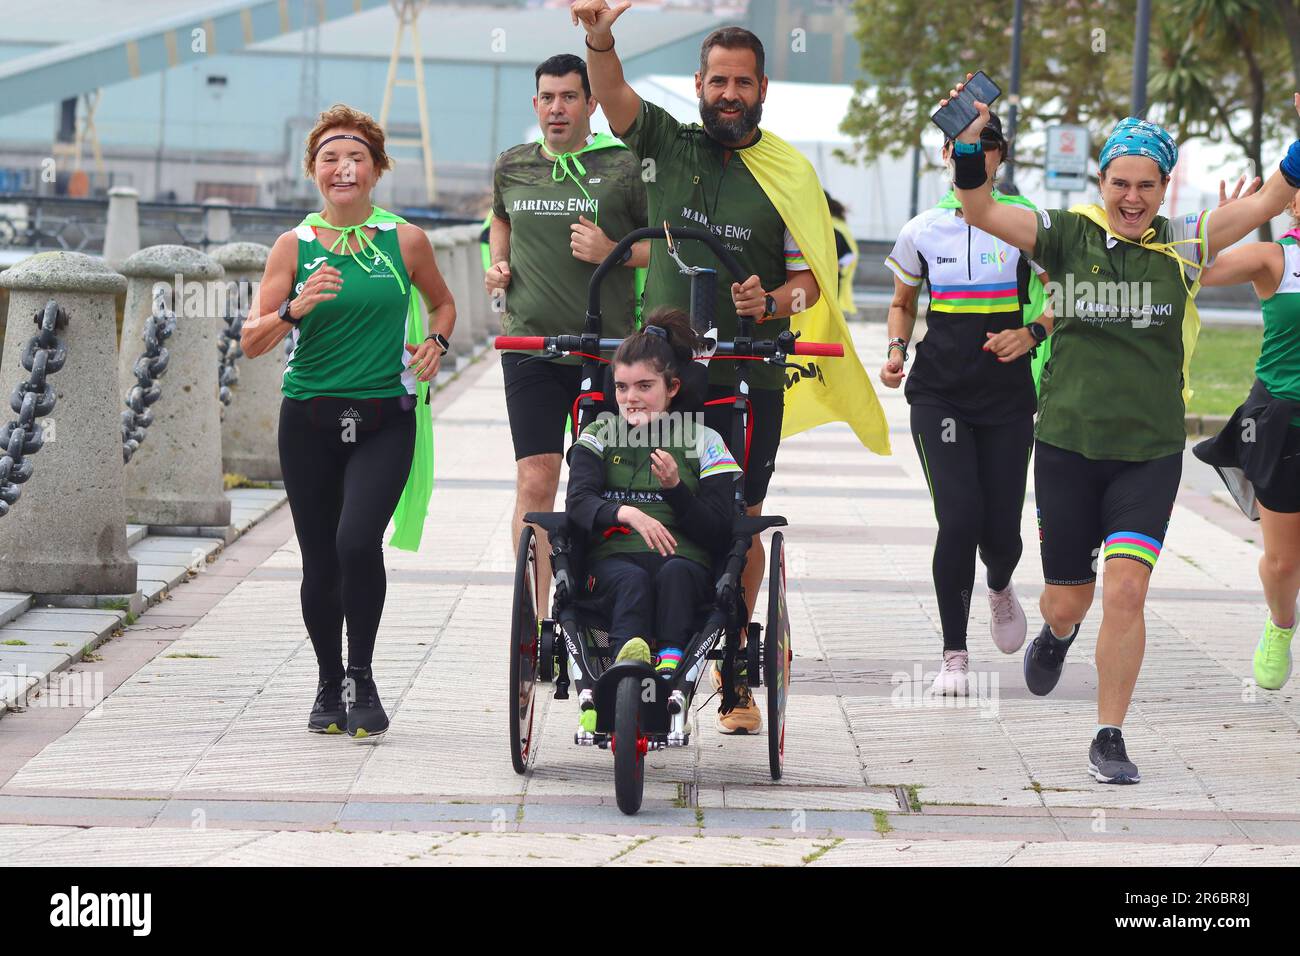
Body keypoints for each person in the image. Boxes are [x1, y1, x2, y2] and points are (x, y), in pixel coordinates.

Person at [944, 74, 1300, 784]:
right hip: (1069, 447)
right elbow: (979, 206)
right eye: (1119, 182)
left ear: (1166, 188)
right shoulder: (1065, 236)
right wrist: (968, 144)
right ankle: (1057, 631)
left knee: (1128, 591)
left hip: (1149, 453)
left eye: (1147, 185)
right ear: (1101, 180)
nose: (1132, 197)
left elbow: (1270, 199)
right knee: (1069, 597)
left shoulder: (1185, 246)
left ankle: (1109, 735)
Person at [571, 0, 893, 731]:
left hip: (746, 372)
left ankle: (735, 665)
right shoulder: (664, 141)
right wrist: (599, 36)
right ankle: (627, 627)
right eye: (718, 80)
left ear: (762, 89)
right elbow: (614, 94)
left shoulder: (786, 171)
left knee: (738, 518)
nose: (729, 94)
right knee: (635, 490)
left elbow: (812, 278)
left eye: (742, 82)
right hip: (656, 371)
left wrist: (772, 298)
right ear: (698, 83)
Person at [241, 104, 456, 740]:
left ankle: (362, 674)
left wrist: (436, 345)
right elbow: (252, 341)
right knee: (319, 562)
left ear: (377, 170)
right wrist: (296, 307)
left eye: (357, 157)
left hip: (383, 418)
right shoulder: (293, 247)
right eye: (331, 157)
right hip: (308, 421)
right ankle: (329, 682)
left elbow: (442, 303)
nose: (344, 167)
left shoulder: (405, 241)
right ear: (313, 171)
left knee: (357, 542)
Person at [881, 111, 1054, 696]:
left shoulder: (1026, 226)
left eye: (979, 147)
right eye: (957, 148)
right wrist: (895, 348)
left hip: (1006, 397)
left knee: (1000, 532)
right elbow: (903, 302)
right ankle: (954, 655)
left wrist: (1032, 333)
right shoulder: (922, 229)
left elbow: (1072, 291)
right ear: (946, 157)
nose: (968, 157)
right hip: (940, 393)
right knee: (957, 519)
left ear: (999, 157)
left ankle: (1001, 584)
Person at [487, 53, 650, 608]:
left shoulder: (625, 166)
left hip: (608, 353)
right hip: (530, 346)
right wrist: (498, 264)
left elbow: (668, 244)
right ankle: (534, 624)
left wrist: (615, 252)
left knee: (604, 485)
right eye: (547, 98)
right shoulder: (512, 164)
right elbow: (500, 217)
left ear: (591, 103)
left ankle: (602, 603)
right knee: (536, 481)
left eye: (569, 97)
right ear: (536, 105)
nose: (557, 108)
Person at [565, 307, 741, 733]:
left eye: (645, 386)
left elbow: (721, 529)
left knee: (676, 574)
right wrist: (625, 512)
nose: (631, 398)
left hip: (686, 559)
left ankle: (669, 667)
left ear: (672, 387)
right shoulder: (600, 433)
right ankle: (628, 665)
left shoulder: (705, 440)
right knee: (632, 581)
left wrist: (678, 490)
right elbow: (578, 502)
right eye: (622, 387)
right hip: (614, 559)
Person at [1194, 185, 1300, 691]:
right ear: (1292, 203)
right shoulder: (1274, 258)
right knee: (1283, 563)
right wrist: (1223, 221)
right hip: (1285, 426)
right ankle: (1281, 625)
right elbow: (1194, 275)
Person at [825, 191, 859, 317]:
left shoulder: (834, 227)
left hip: (833, 276)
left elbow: (850, 253)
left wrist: (838, 266)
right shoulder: (837, 224)